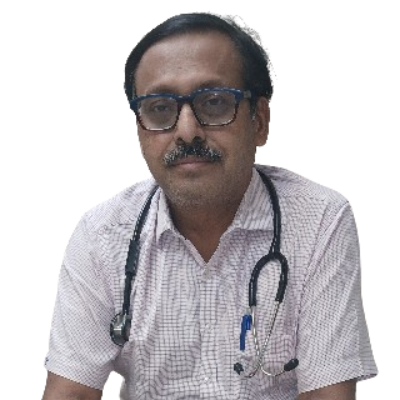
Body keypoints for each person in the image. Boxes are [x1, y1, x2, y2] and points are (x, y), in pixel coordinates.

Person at [42, 12, 378, 400]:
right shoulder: (102, 233)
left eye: (214, 103)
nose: (187, 131)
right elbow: (71, 393)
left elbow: (328, 395)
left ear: (259, 121)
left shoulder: (318, 219)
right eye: (160, 108)